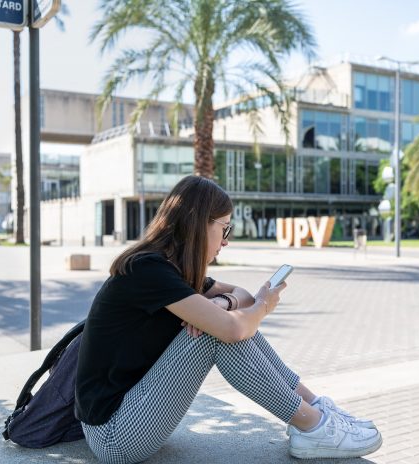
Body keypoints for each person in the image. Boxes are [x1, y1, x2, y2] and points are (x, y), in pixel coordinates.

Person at [75, 176, 382, 463]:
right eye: (224, 228)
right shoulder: (148, 270)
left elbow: (242, 295)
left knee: (219, 323)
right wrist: (260, 307)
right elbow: (235, 328)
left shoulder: (171, 269)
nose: (226, 240)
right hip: (114, 435)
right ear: (198, 224)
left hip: (133, 413)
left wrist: (223, 302)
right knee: (216, 332)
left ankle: (315, 408)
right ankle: (313, 427)